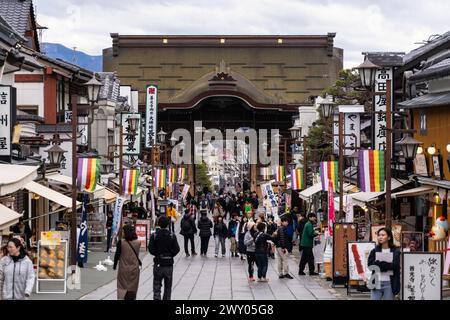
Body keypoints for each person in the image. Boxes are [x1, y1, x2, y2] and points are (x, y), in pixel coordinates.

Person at [148, 216, 180, 300]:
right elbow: (177, 249)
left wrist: (157, 254)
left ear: (158, 224)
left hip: (158, 263)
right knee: (168, 286)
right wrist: (170, 255)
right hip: (168, 264)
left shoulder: (154, 235)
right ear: (168, 224)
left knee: (157, 284)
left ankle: (157, 298)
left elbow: (151, 249)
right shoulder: (172, 235)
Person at [367, 228, 400, 300]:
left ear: (389, 237)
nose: (380, 237)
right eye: (379, 235)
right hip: (376, 282)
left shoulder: (395, 251)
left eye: (383, 235)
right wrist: (386, 265)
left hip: (390, 283)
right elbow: (370, 265)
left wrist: (379, 264)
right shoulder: (374, 250)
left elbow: (395, 265)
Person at [113, 224, 141, 300]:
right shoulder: (138, 243)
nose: (123, 233)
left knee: (122, 286)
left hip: (123, 268)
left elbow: (117, 255)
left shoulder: (121, 243)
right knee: (132, 287)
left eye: (123, 231)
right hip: (134, 269)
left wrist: (115, 265)